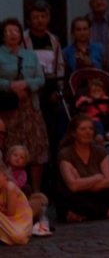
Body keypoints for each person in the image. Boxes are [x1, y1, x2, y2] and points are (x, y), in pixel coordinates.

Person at [0, 18, 49, 194]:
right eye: (9, 31)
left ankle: (35, 191)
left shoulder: (30, 55)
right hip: (9, 109)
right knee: (10, 149)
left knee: (36, 149)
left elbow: (41, 79)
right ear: (3, 34)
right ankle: (9, 189)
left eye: (16, 31)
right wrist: (10, 86)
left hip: (30, 107)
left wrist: (26, 84)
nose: (13, 34)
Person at [57, 114, 109, 222]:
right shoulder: (65, 153)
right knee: (65, 196)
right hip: (80, 196)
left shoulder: (100, 151)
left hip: (100, 194)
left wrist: (83, 183)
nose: (88, 132)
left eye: (91, 129)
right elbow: (73, 186)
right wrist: (97, 177)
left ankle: (86, 214)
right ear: (74, 133)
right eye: (83, 129)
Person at [22, 1, 65, 158]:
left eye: (43, 16)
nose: (40, 20)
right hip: (30, 90)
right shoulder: (23, 39)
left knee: (51, 131)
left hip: (50, 89)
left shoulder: (54, 40)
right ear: (29, 20)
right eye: (35, 17)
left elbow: (59, 65)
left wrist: (58, 90)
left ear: (48, 18)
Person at [74, 78, 109, 143]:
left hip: (105, 118)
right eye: (94, 91)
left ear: (103, 91)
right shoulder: (87, 99)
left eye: (99, 91)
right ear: (89, 92)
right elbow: (78, 104)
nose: (96, 93)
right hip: (93, 119)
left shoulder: (106, 98)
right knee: (98, 124)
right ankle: (100, 135)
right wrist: (85, 100)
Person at [0, 164, 31, 245]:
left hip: (17, 221)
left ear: (4, 174)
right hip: (5, 219)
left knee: (18, 236)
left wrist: (2, 209)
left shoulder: (10, 187)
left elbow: (11, 213)